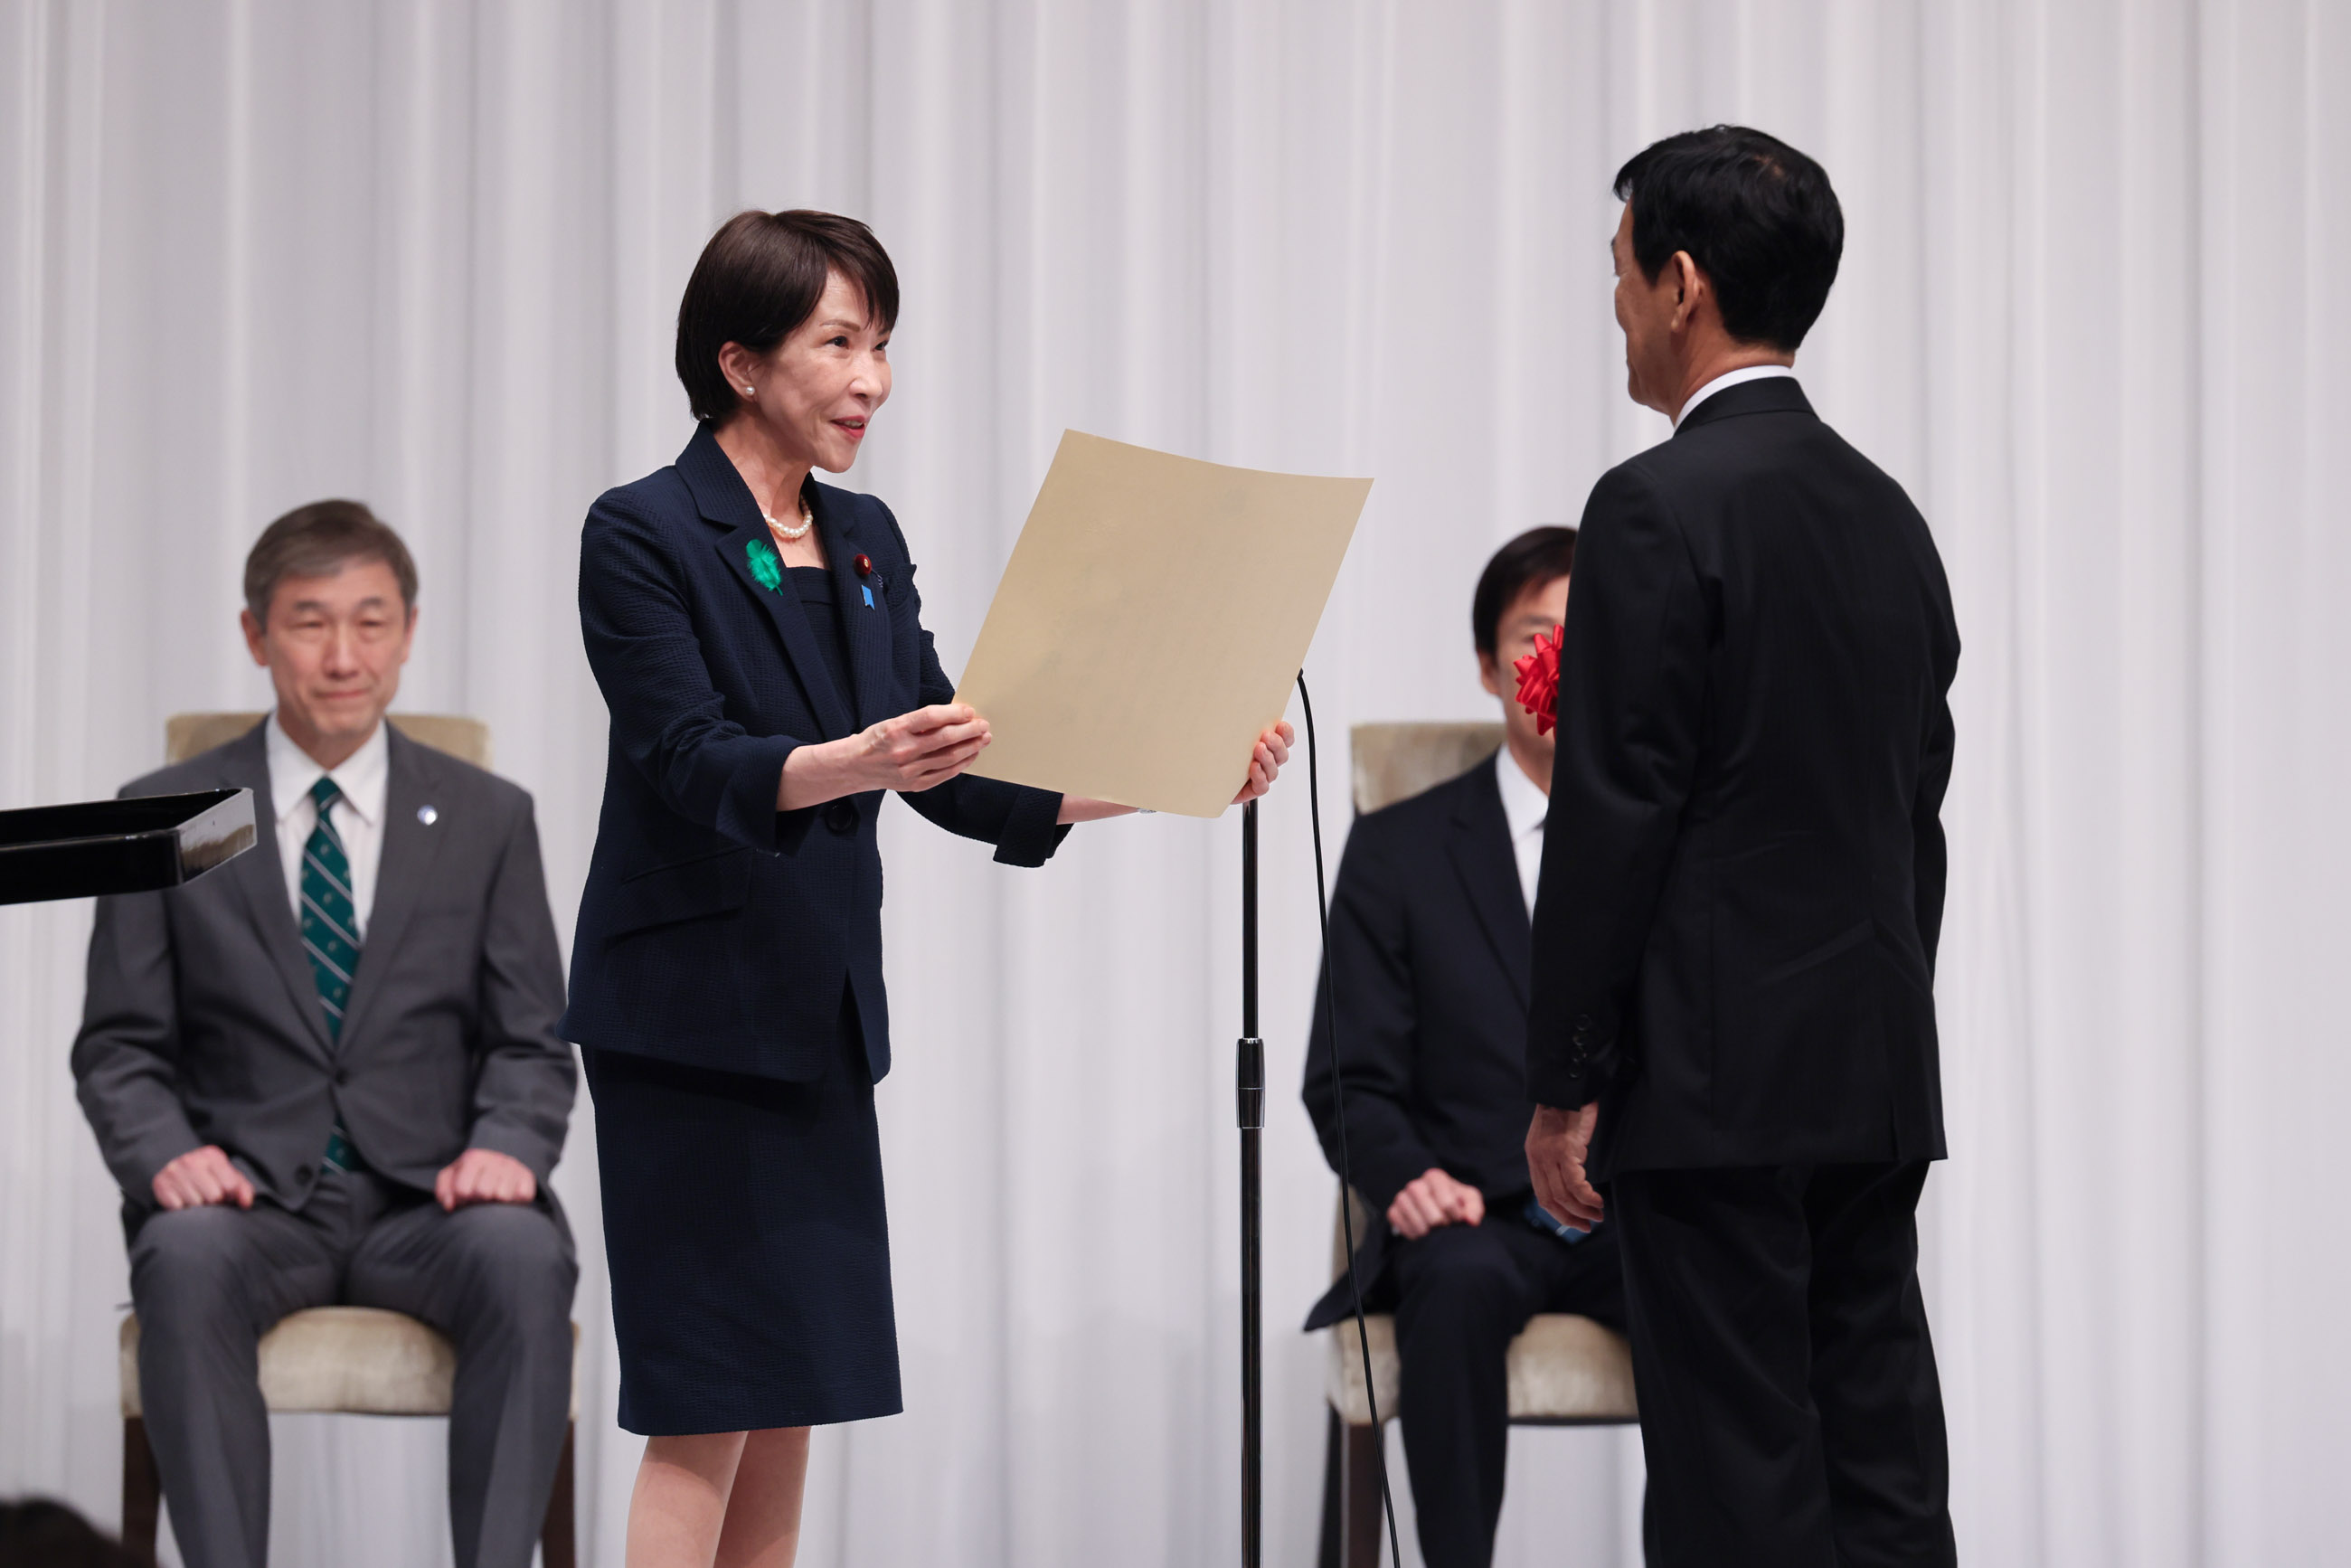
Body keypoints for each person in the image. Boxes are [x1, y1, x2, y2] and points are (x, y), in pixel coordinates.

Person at [570, 208, 1293, 1567]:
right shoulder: (644, 530)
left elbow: (957, 768)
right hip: (687, 1024)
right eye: (840, 342)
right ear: (739, 361)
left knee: (794, 1390)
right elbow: (689, 759)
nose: (872, 379)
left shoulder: (863, 534)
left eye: (883, 344)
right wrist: (860, 756)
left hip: (817, 1012)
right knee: (706, 1395)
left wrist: (1182, 769)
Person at [1521, 127, 1961, 1566]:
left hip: (1710, 1081)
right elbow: (1917, 814)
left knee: (1738, 1477)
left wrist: (1567, 1079)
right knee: (1881, 1455)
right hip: (1871, 1066)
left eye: (1621, 272)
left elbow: (1615, 812)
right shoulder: (1890, 516)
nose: (1617, 307)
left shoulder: (1652, 505)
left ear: (1683, 283)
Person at [72, 502, 580, 1568]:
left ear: (407, 631)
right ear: (257, 637)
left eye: (370, 621)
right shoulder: (171, 815)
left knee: (524, 1252)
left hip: (429, 1202)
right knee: (184, 1256)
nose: (343, 656)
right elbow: (119, 1044)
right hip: (250, 1205)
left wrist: (508, 1145)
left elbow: (532, 1036)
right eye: (309, 623)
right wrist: (168, 1154)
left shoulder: (490, 817)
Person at [1301, 527, 1629, 1568]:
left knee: (1729, 1276)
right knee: (1449, 1285)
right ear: (1490, 665)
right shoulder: (1400, 848)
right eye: (1537, 636)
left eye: (1592, 638)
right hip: (1471, 1215)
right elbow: (1344, 1073)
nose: (1562, 662)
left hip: (1633, 1214)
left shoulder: (1668, 844)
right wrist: (1405, 1180)